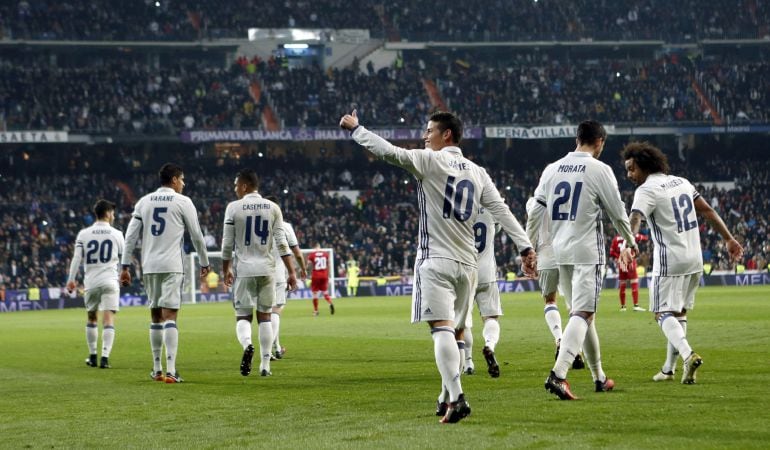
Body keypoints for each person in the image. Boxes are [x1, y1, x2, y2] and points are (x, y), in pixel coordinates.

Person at [339, 109, 536, 423]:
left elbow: (388, 151)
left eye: (429, 130)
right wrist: (525, 246)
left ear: (446, 135)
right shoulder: (478, 172)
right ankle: (445, 396)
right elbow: (502, 210)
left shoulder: (430, 160)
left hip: (435, 261)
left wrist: (356, 129)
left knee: (441, 330)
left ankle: (457, 398)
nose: (424, 136)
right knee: (456, 334)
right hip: (468, 266)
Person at [528, 120, 636, 400]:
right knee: (584, 313)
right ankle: (559, 374)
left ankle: (598, 376)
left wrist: (528, 248)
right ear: (600, 141)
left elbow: (535, 213)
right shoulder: (599, 169)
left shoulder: (551, 169)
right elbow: (617, 211)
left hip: (559, 251)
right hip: (587, 252)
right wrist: (631, 240)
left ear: (577, 138)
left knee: (584, 315)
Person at [622, 141, 743, 384]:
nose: (629, 175)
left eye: (632, 168)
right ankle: (669, 369)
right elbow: (708, 211)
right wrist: (728, 238)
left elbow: (635, 216)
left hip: (671, 260)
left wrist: (628, 243)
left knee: (661, 313)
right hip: (694, 258)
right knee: (679, 313)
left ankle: (688, 354)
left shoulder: (647, 190)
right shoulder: (682, 182)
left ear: (644, 166)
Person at [120, 163, 210, 383]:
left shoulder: (144, 202)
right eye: (182, 179)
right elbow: (197, 235)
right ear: (174, 180)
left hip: (149, 266)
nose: (184, 183)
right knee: (170, 316)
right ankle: (171, 371)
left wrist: (125, 266)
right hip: (171, 265)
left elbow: (131, 235)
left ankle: (156, 369)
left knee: (155, 315)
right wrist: (204, 262)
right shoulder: (183, 202)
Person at [222, 171, 298, 377]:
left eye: (237, 185)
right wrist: (292, 272)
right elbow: (282, 243)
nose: (235, 188)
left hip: (244, 270)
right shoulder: (273, 208)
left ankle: (247, 345)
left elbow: (227, 244)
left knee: (243, 316)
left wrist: (225, 269)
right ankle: (265, 365)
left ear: (245, 186)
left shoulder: (233, 208)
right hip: (267, 270)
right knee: (265, 316)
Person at [525, 198, 585, 370]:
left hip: (545, 254)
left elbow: (532, 227)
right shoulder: (569, 197)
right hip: (568, 252)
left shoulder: (533, 202)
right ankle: (576, 350)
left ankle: (559, 338)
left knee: (550, 301)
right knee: (576, 306)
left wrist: (531, 256)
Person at [67, 199, 125, 369]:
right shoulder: (117, 234)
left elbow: (77, 258)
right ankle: (105, 358)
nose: (113, 216)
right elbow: (125, 257)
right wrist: (124, 273)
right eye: (112, 213)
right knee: (108, 319)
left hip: (91, 282)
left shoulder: (84, 234)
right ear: (107, 213)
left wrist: (71, 279)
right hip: (110, 281)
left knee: (92, 318)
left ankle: (93, 356)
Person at [264, 195, 306, 360]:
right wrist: (301, 269)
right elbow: (296, 253)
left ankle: (276, 347)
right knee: (276, 311)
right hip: (278, 274)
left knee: (265, 313)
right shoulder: (285, 226)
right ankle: (269, 350)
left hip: (258, 273)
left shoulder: (255, 226)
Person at [610, 234, 645, 311]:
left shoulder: (615, 239)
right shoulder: (630, 235)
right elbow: (642, 238)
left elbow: (611, 252)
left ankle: (623, 307)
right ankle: (636, 305)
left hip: (621, 262)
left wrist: (618, 257)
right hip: (630, 261)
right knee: (634, 282)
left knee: (622, 283)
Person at [307, 243, 335, 316]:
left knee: (315, 294)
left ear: (314, 247)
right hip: (324, 275)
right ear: (319, 247)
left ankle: (316, 311)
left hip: (316, 275)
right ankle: (330, 302)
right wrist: (328, 274)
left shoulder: (312, 254)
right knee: (325, 292)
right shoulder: (325, 254)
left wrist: (307, 273)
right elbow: (328, 264)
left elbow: (309, 266)